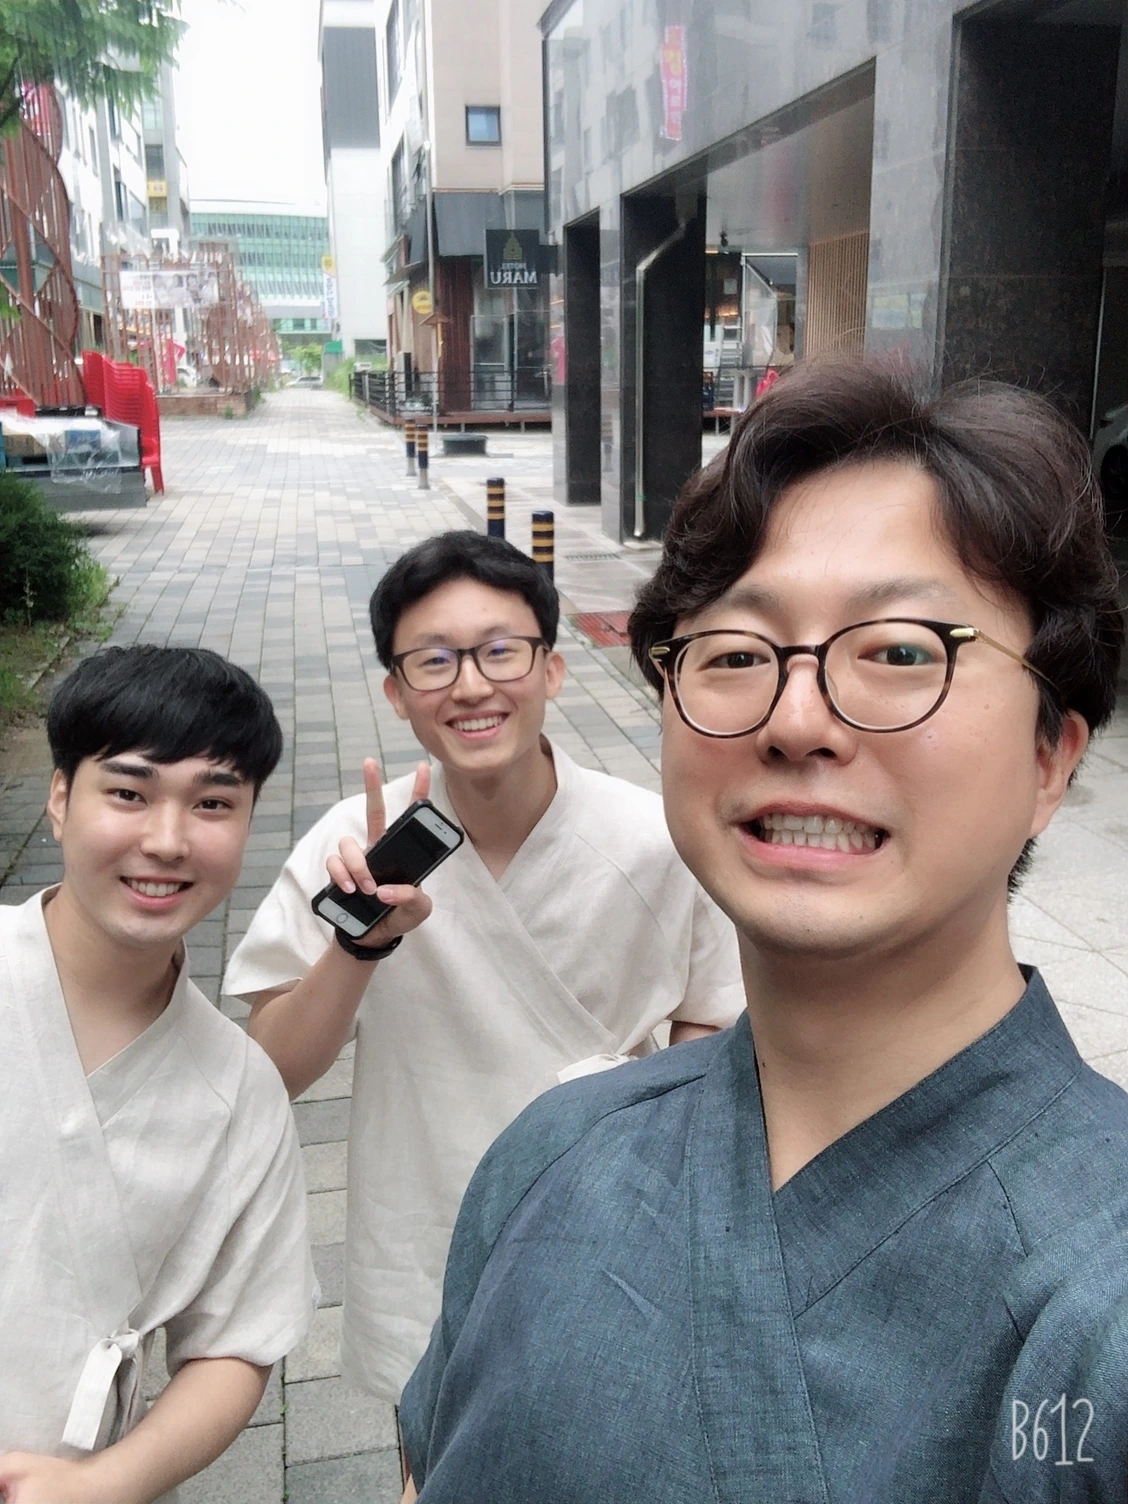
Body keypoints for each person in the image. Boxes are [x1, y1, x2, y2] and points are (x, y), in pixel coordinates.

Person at [397, 362, 1128, 1503]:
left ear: (1051, 758)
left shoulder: (1099, 1295)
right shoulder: (549, 1154)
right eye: (736, 654)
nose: (796, 721)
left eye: (899, 651)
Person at [224, 530, 743, 1405]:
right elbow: (270, 1068)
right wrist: (359, 946)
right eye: (433, 660)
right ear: (396, 693)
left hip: (615, 1224)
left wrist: (644, 1150)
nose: (470, 686)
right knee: (430, 1448)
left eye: (500, 651)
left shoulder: (656, 838)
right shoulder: (348, 846)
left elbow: (713, 1023)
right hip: (424, 1228)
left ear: (552, 669)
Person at [0, 645, 315, 1504]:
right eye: (129, 793)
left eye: (212, 803)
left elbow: (236, 1342)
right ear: (59, 799)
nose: (167, 842)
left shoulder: (240, 1091)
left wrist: (102, 1484)